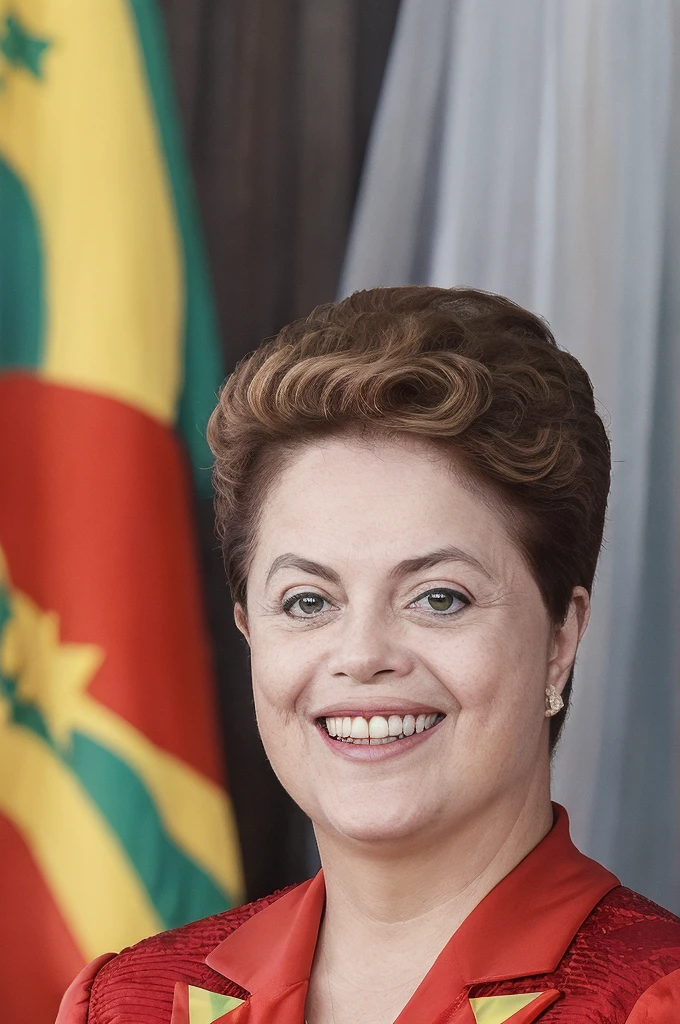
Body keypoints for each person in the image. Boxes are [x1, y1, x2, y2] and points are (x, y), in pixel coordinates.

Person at [57, 287, 680, 1024]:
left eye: (438, 597)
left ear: (560, 640)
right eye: (308, 602)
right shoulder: (126, 1004)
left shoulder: (653, 1001)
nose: (362, 655)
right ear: (250, 634)